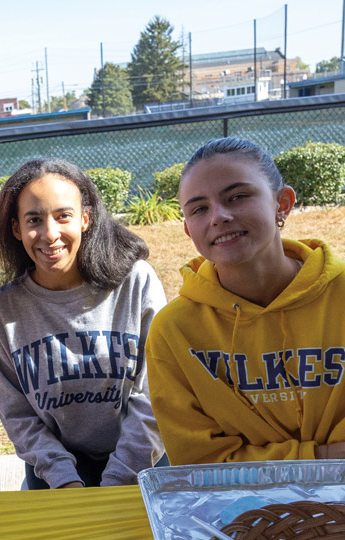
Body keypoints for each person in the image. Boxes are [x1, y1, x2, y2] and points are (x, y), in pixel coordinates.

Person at [146, 137, 345, 465]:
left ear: (282, 203)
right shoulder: (173, 332)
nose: (218, 217)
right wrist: (321, 457)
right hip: (238, 511)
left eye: (237, 196)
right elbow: (200, 461)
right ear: (187, 229)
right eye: (199, 208)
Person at [0, 158, 166, 490]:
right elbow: (18, 416)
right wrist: (66, 482)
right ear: (16, 229)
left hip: (141, 462)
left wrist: (117, 479)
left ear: (85, 219)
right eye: (34, 219)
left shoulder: (136, 284)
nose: (50, 234)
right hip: (54, 471)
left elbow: (154, 396)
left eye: (63, 216)